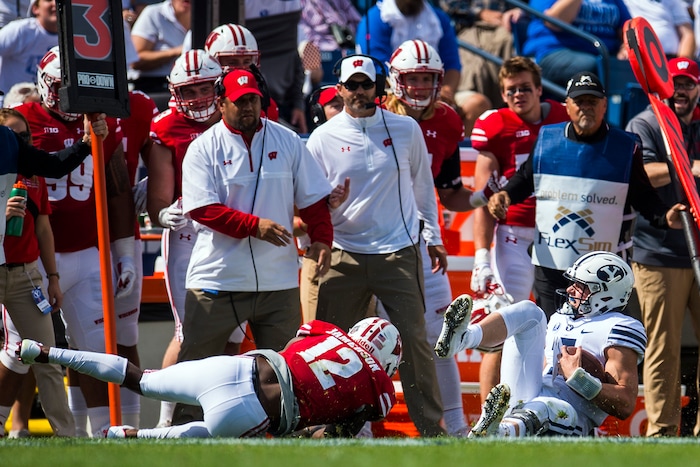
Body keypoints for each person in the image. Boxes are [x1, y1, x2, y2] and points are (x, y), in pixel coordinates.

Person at [306, 53, 446, 437]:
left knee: (414, 344)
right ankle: (332, 429)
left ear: (378, 87)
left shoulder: (405, 129)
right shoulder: (322, 138)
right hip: (343, 252)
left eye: (365, 84)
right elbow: (308, 199)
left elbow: (423, 188)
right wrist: (326, 207)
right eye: (351, 85)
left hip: (398, 252)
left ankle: (432, 431)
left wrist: (433, 237)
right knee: (330, 348)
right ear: (339, 90)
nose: (358, 91)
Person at [486, 71, 686, 317]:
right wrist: (504, 195)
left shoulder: (626, 147)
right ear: (567, 106)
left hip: (604, 270)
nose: (586, 108)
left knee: (597, 344)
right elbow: (525, 179)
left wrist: (665, 216)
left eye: (592, 101)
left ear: (604, 105)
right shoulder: (547, 140)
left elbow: (642, 195)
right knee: (552, 338)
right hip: (552, 267)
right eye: (579, 101)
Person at [16, 46, 137, 437]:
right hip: (32, 255)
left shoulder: (100, 121)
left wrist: (125, 254)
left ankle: (103, 435)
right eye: (59, 88)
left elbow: (118, 191)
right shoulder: (23, 121)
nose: (66, 97)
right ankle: (10, 429)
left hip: (86, 251)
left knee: (96, 350)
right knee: (18, 351)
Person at [18, 316, 401, 438]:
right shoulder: (380, 389)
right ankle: (131, 435)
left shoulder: (327, 330)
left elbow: (297, 343)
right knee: (183, 437)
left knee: (143, 378)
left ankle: (47, 351)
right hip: (254, 413)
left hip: (236, 367)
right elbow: (331, 432)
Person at [178, 67, 333, 361]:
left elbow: (313, 200)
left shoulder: (287, 141)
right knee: (195, 372)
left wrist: (323, 238)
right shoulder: (202, 148)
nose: (248, 107)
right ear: (221, 104)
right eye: (239, 101)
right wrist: (253, 226)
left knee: (283, 376)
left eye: (253, 99)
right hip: (217, 279)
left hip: (278, 281)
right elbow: (202, 209)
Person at [435, 251, 646, 437]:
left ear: (605, 293)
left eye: (581, 286)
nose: (571, 289)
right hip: (530, 396)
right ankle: (465, 337)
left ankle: (498, 432)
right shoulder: (560, 318)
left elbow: (625, 404)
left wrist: (579, 378)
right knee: (531, 312)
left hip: (572, 416)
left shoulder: (619, 327)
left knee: (546, 407)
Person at [146, 49, 246, 428]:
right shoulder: (166, 126)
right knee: (187, 330)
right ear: (175, 93)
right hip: (189, 232)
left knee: (233, 331)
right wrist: (160, 213)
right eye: (190, 90)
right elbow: (158, 193)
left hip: (233, 229)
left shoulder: (242, 116)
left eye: (206, 87)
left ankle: (222, 411)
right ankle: (166, 420)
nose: (200, 98)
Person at [470, 56, 570, 402]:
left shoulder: (562, 117)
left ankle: (548, 408)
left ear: (539, 89)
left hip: (558, 234)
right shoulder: (496, 126)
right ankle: (488, 416)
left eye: (525, 88)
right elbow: (483, 197)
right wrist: (481, 255)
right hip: (513, 235)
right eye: (511, 90)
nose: (518, 95)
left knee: (560, 328)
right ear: (502, 93)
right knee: (501, 326)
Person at [624, 57, 700, 437]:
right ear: (662, 84)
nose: (682, 91)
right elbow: (640, 174)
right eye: (676, 83)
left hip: (698, 248)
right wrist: (690, 167)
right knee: (662, 348)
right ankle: (661, 432)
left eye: (689, 83)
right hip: (658, 253)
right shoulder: (646, 123)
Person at [0, 108, 74, 438]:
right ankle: (13, 424)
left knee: (47, 357)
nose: (21, 142)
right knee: (15, 354)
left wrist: (53, 277)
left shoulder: (34, 174)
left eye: (25, 136)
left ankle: (68, 437)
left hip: (26, 275)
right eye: (13, 137)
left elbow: (43, 227)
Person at [356, 0, 490, 133]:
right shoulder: (376, 17)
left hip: (433, 89)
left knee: (477, 104)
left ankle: (447, 147)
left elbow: (452, 65)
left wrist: (446, 91)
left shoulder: (439, 18)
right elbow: (378, 68)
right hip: (393, 90)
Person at [522, 0, 631, 88]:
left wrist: (624, 47)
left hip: (603, 55)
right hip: (554, 51)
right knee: (589, 65)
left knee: (633, 67)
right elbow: (554, 21)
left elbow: (626, 27)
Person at [439, 0, 523, 109]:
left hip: (505, 27)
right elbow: (449, 4)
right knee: (476, 64)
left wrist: (518, 11)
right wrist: (480, 12)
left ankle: (506, 105)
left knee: (507, 45)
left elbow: (527, 6)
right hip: (468, 26)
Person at [244, 0, 308, 133]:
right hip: (247, 100)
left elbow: (295, 59)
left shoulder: (291, 4)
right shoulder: (241, 5)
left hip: (283, 107)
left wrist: (298, 105)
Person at [203, 23, 280, 122]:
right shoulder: (201, 104)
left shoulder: (265, 104)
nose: (241, 69)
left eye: (247, 62)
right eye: (232, 62)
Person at [0, 0, 58, 106]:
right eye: (48, 0)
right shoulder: (20, 30)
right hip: (10, 106)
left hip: (48, 109)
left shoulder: (73, 36)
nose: (55, 3)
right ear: (35, 8)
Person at [130, 0, 190, 98]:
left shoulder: (210, 14)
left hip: (192, 86)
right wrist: (177, 51)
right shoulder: (153, 13)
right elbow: (135, 60)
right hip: (152, 86)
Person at [622, 0, 695, 60]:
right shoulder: (625, 2)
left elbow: (687, 34)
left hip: (670, 60)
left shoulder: (673, 1)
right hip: (639, 60)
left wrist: (680, 64)